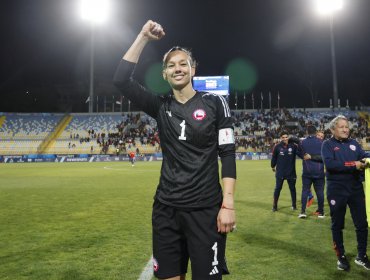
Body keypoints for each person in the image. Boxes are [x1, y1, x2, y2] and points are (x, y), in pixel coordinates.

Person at [113, 20, 236, 280]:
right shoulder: (159, 106)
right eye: (171, 65)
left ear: (193, 69)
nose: (177, 68)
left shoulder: (215, 103)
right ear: (164, 74)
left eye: (183, 64)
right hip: (166, 209)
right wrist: (143, 37)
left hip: (205, 210)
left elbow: (227, 154)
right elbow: (121, 80)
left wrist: (228, 204)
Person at [321, 115, 370, 271]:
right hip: (337, 190)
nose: (345, 129)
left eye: (346, 126)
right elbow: (330, 164)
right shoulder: (327, 145)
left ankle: (361, 256)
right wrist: (352, 165)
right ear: (333, 129)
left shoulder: (354, 144)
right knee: (338, 224)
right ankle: (341, 257)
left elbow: (363, 157)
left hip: (355, 188)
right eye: (341, 127)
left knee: (362, 224)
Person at [298, 125, 325, 219]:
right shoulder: (322, 143)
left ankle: (302, 212)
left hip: (307, 171)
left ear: (307, 132)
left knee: (305, 191)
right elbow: (325, 158)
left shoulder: (303, 143)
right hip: (319, 172)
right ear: (315, 132)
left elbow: (298, 152)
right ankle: (321, 212)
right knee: (320, 192)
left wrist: (304, 156)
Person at [271, 131, 301, 211]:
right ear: (281, 138)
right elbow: (274, 158)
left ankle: (294, 205)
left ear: (288, 137)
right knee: (277, 189)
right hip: (280, 172)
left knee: (292, 189)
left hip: (291, 172)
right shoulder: (277, 147)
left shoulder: (293, 146)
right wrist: (272, 166)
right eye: (283, 137)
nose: (285, 139)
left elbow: (300, 152)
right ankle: (274, 206)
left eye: (286, 137)